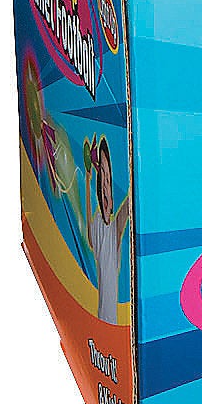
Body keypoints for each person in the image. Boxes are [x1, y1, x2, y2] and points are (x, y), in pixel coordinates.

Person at [82, 136, 130, 326]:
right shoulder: (99, 225)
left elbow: (127, 207)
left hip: (110, 319)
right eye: (102, 177)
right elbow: (90, 235)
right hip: (104, 318)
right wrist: (88, 179)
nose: (105, 186)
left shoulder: (113, 228)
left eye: (108, 179)